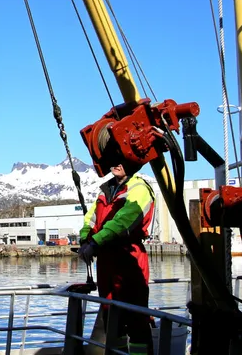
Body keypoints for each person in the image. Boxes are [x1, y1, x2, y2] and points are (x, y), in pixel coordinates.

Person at [77, 135, 156, 355]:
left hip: (129, 258)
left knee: (136, 316)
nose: (117, 164)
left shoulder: (139, 189)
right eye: (113, 159)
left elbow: (122, 222)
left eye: (121, 159)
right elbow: (91, 220)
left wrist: (95, 242)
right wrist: (85, 238)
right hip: (107, 261)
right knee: (111, 315)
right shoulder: (105, 191)